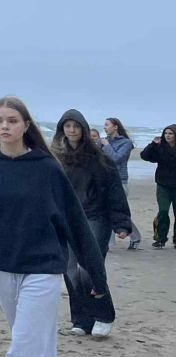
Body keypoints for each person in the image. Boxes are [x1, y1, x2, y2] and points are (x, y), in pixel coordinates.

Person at [0, 97, 108, 357]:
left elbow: (75, 224)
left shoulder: (47, 168)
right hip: (2, 268)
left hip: (43, 270)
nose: (5, 126)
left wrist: (96, 274)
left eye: (12, 121)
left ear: (25, 126)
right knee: (34, 345)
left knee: (23, 350)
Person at [50, 110, 131, 338]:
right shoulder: (56, 158)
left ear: (84, 130)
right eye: (67, 126)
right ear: (62, 129)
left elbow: (114, 191)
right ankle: (81, 320)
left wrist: (121, 223)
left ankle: (103, 317)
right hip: (68, 219)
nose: (72, 130)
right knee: (70, 270)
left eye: (76, 126)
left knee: (89, 268)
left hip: (95, 218)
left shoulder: (99, 158)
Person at [102, 117, 143, 249]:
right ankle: (134, 237)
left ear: (115, 127)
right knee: (109, 211)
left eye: (107, 125)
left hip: (120, 181)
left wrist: (106, 146)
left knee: (117, 211)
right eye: (104, 125)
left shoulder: (126, 143)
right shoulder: (103, 141)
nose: (105, 127)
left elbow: (117, 158)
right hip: (104, 180)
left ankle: (110, 243)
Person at [140, 124, 176, 249]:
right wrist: (153, 144)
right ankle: (160, 238)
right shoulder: (160, 147)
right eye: (166, 133)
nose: (167, 136)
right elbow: (145, 156)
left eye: (170, 133)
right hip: (163, 185)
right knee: (163, 211)